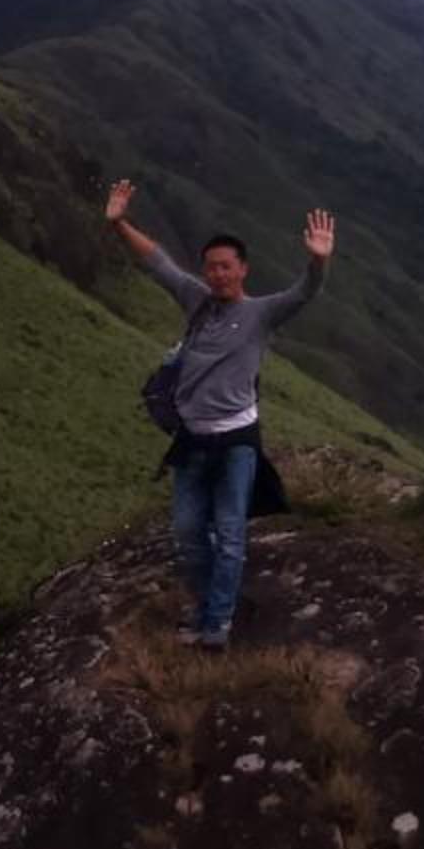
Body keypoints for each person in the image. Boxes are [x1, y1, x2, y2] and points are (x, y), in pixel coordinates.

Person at [104, 178, 336, 648]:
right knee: (188, 533)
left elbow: (304, 293)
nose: (218, 275)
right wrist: (118, 223)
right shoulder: (196, 300)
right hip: (192, 441)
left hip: (236, 443)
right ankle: (212, 604)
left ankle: (217, 625)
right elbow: (157, 262)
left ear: (243, 269)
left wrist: (318, 260)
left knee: (230, 535)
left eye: (226, 267)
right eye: (211, 267)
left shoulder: (261, 314)